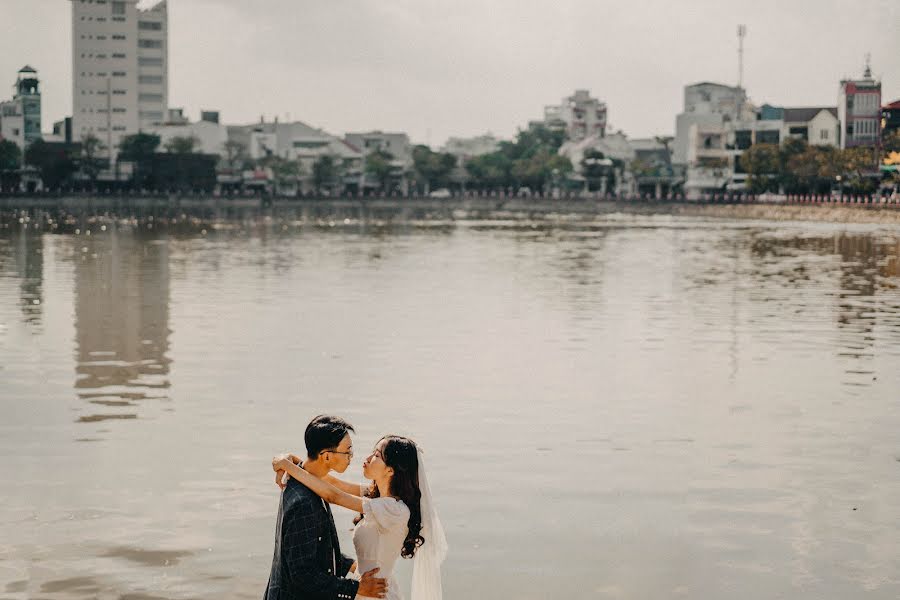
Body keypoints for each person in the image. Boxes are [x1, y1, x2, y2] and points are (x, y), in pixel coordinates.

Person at [272, 434, 447, 600]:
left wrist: (287, 467)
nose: (368, 457)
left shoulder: (394, 510)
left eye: (377, 455)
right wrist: (290, 459)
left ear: (390, 471)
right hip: (365, 589)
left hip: (375, 593)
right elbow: (333, 483)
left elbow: (334, 496)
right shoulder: (377, 497)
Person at [264, 415, 388, 600]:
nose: (351, 458)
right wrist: (356, 588)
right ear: (327, 456)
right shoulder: (304, 502)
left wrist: (353, 566)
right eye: (347, 452)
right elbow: (302, 575)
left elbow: (317, 548)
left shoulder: (305, 479)